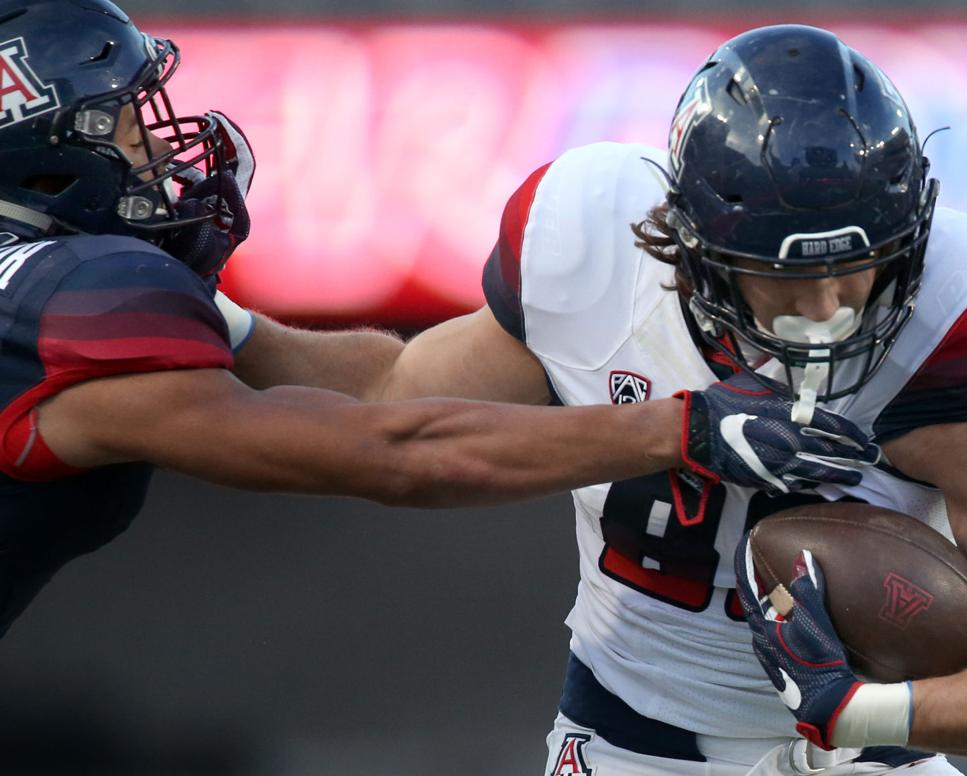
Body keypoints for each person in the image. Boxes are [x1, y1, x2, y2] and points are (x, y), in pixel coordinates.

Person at [348, 24, 967, 775]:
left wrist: (860, 713)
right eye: (791, 274)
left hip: (867, 751)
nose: (832, 304)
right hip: (630, 743)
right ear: (694, 248)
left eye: (860, 264)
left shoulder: (954, 317)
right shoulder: (589, 239)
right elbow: (390, 403)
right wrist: (239, 331)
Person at [0, 2, 872, 640]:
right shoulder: (78, 301)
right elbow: (395, 453)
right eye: (123, 125)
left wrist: (222, 322)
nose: (158, 148)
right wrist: (679, 427)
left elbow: (380, 391)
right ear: (40, 154)